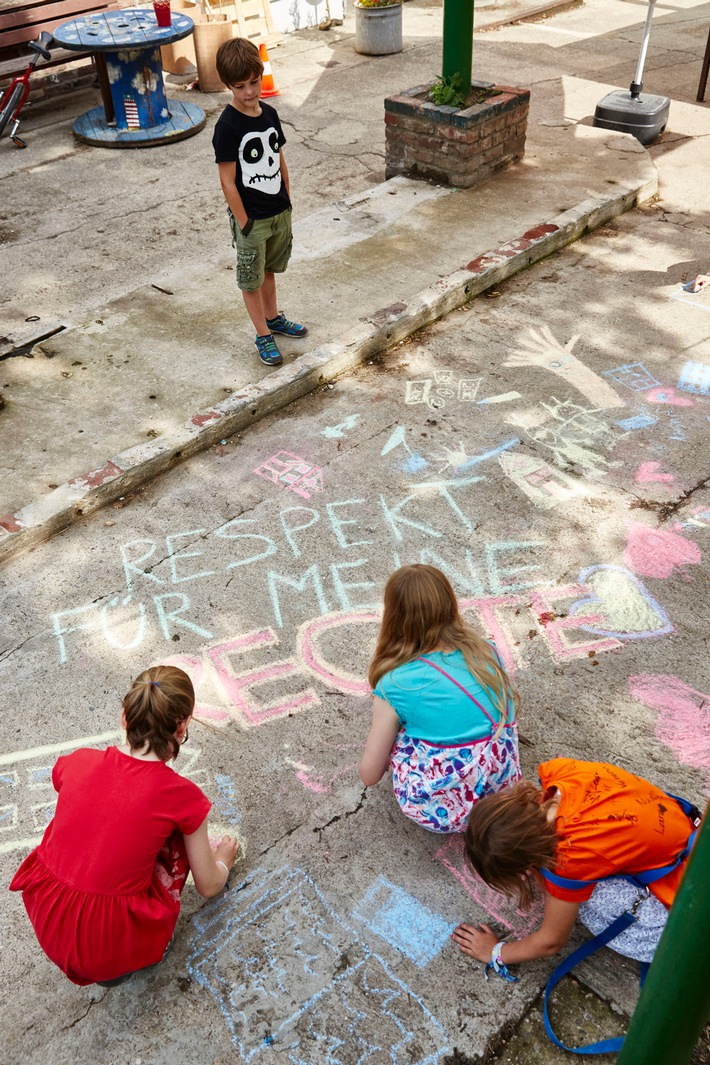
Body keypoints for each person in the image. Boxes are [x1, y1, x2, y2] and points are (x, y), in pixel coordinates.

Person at [10, 666, 239, 987]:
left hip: (48, 918)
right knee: (177, 836)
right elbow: (208, 886)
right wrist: (223, 863)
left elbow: (71, 786)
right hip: (107, 949)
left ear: (124, 717)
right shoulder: (183, 797)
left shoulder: (78, 760)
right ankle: (140, 951)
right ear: (182, 725)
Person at [453, 758, 701, 977]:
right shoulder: (559, 772)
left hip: (693, 905)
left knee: (583, 901)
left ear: (528, 862)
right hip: (694, 836)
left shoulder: (570, 857)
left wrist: (495, 952)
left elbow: (551, 941)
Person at [359, 564, 521, 833]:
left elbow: (369, 775)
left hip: (444, 813)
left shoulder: (397, 684)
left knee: (402, 733)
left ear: (394, 617)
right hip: (502, 796)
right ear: (450, 605)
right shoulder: (486, 652)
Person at [212, 38, 307, 368]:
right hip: (252, 218)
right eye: (241, 86)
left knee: (269, 269)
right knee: (250, 278)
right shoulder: (227, 126)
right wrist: (244, 221)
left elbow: (279, 157)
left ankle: (273, 319)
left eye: (254, 82)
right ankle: (262, 334)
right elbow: (227, 180)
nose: (250, 91)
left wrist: (288, 199)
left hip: (279, 211)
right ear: (228, 85)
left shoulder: (269, 113)